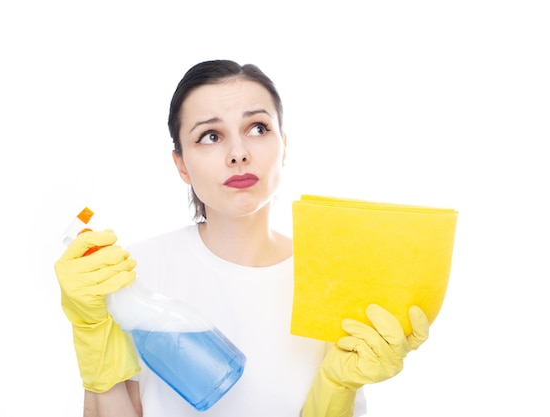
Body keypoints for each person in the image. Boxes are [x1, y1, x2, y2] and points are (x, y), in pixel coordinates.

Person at [54, 59, 430, 417]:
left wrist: (337, 386)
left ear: (285, 146)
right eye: (211, 135)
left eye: (258, 128)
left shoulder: (331, 282)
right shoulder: (131, 275)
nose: (238, 153)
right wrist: (92, 335)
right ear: (181, 165)